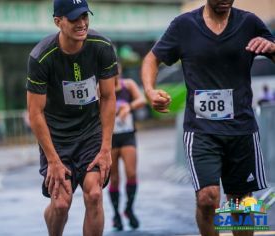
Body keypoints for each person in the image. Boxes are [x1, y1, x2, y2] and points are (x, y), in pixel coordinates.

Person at [141, 0, 275, 235]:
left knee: (241, 203)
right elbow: (152, 59)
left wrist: (273, 50)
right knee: (207, 198)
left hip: (241, 128)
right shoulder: (184, 25)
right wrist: (150, 91)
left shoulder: (250, 23)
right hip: (201, 129)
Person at [26, 0, 118, 235]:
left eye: (85, 16)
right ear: (58, 22)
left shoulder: (102, 46)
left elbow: (108, 98)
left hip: (89, 132)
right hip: (56, 137)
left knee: (95, 194)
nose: (82, 23)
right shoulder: (40, 57)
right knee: (60, 204)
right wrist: (53, 160)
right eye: (74, 18)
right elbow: (35, 112)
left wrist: (106, 147)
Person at [109, 65, 145, 231]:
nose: (115, 73)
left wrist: (127, 107)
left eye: (117, 70)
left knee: (131, 173)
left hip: (127, 135)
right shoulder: (100, 88)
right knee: (114, 178)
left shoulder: (127, 85)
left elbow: (142, 99)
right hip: (110, 139)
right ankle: (116, 214)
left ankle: (129, 209)